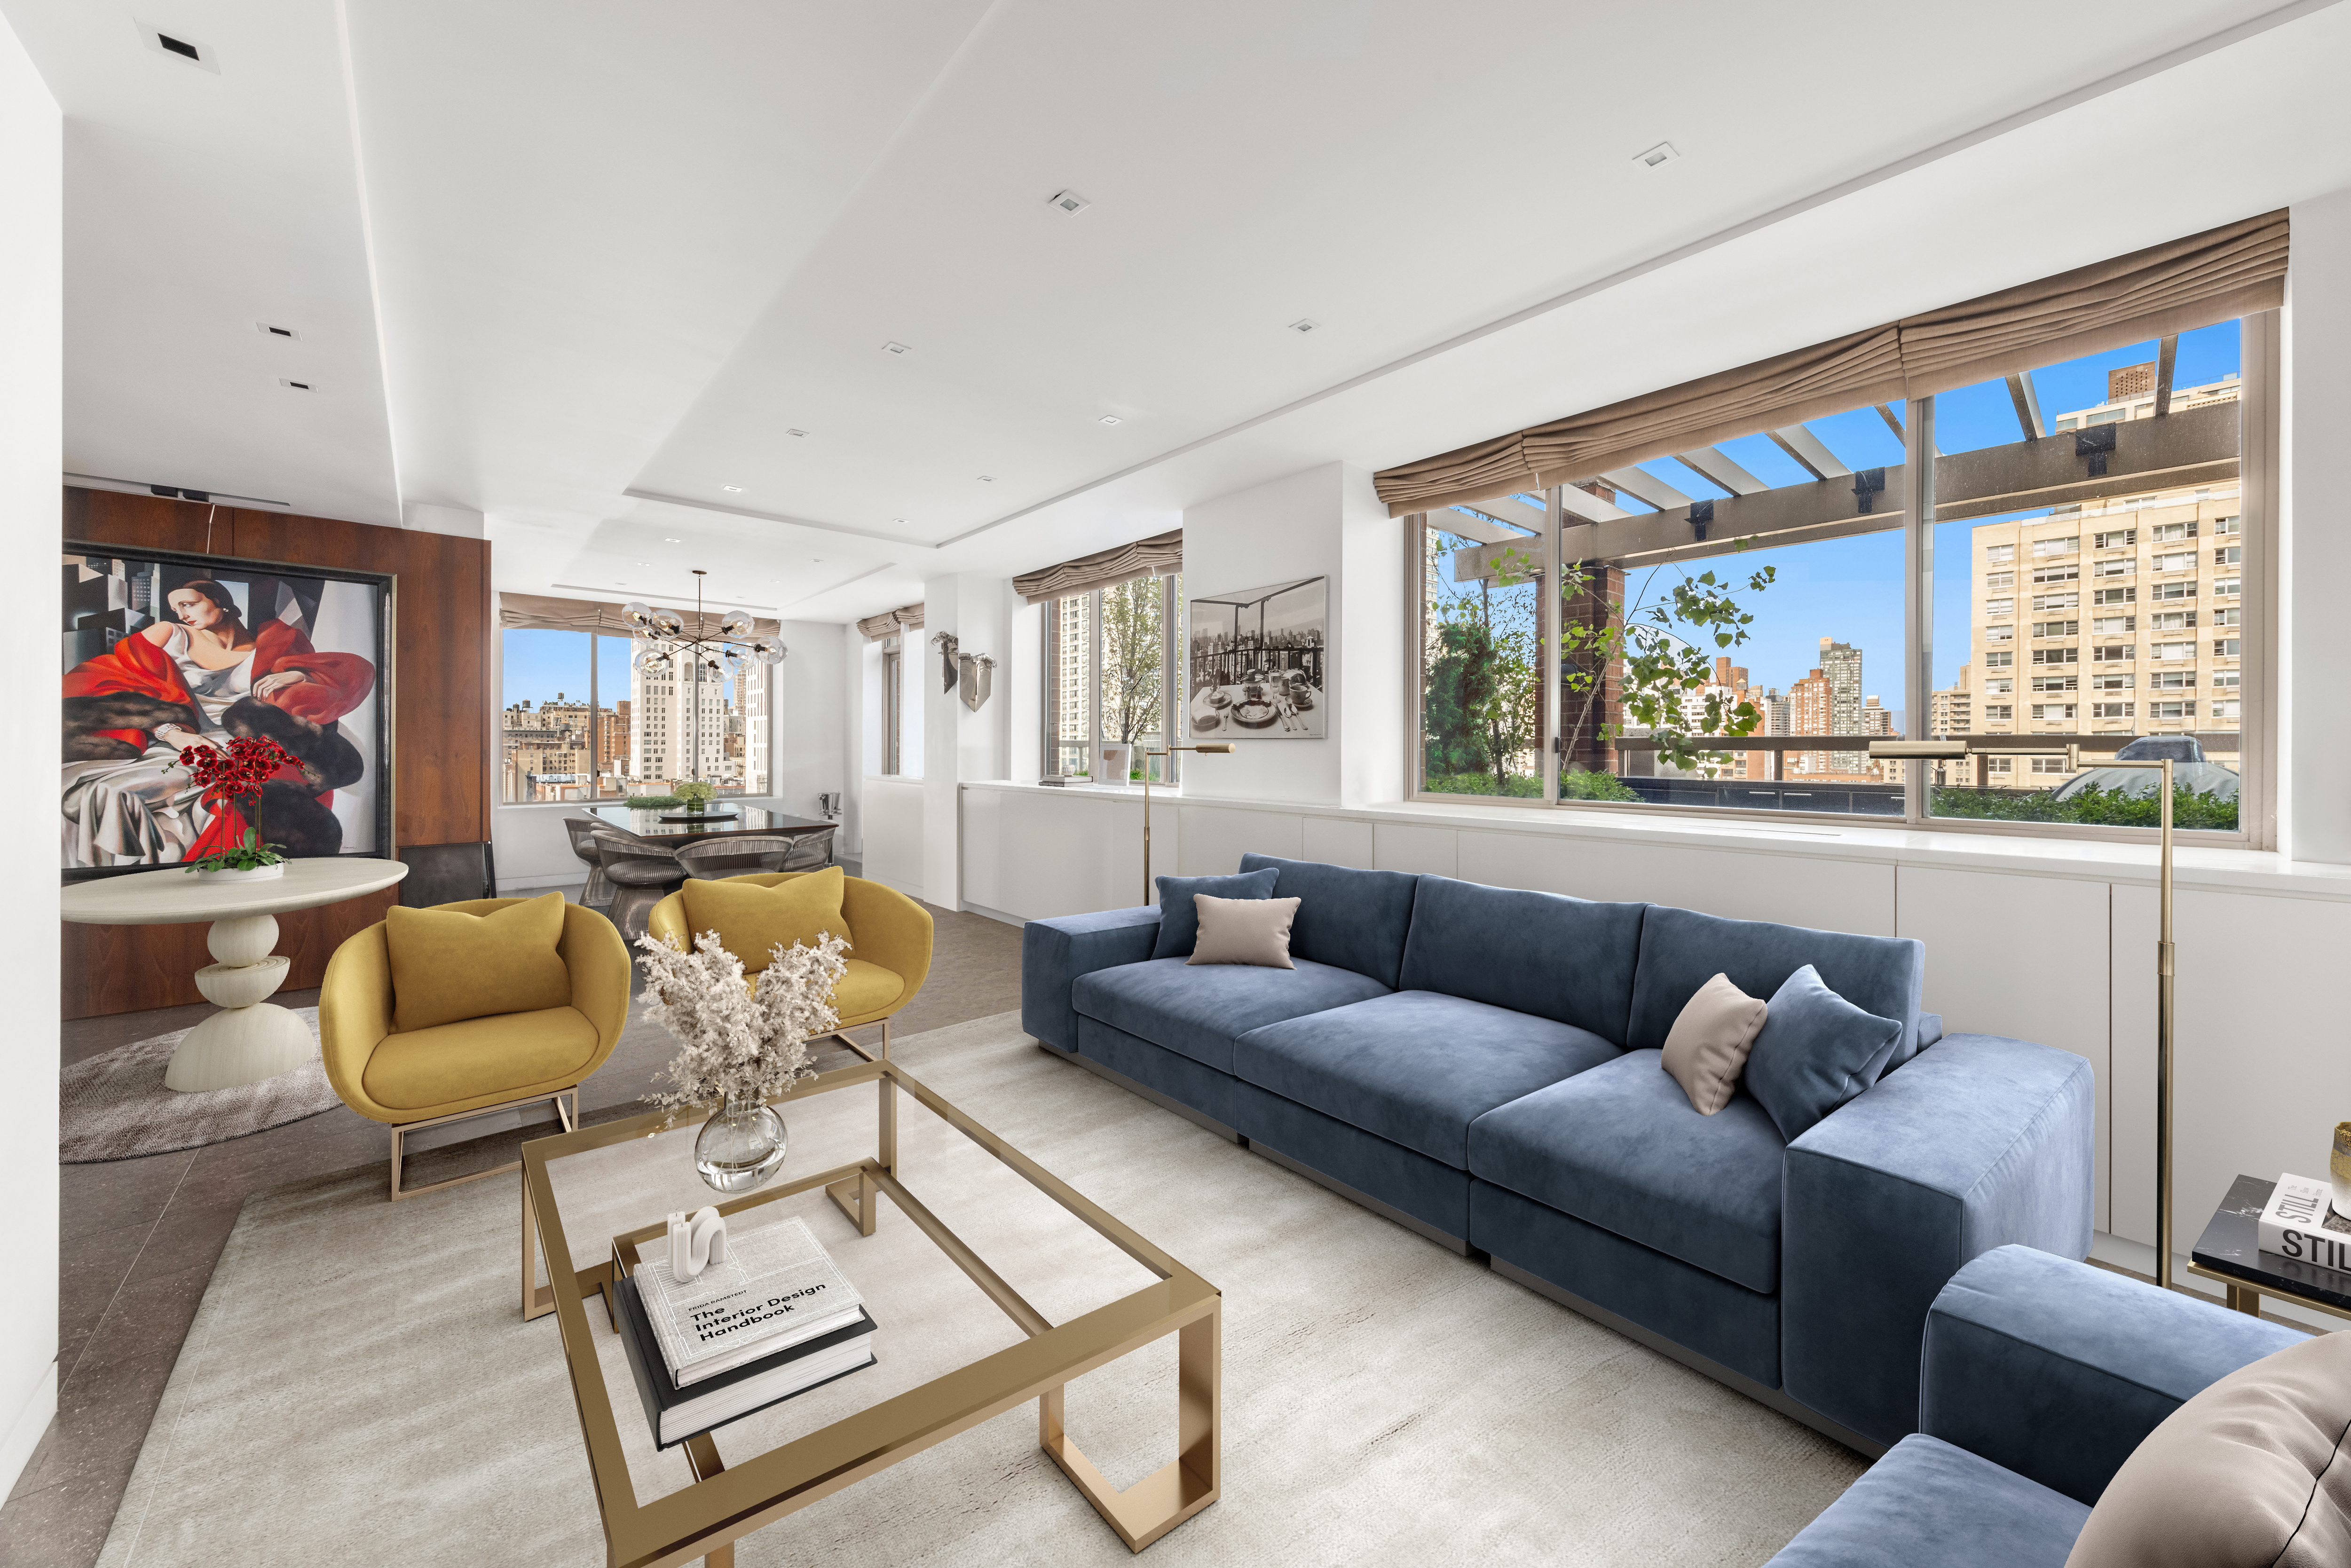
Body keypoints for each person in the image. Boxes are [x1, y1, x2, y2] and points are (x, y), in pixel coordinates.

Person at [63, 579, 374, 867]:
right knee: (113, 793)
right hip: (182, 742)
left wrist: (300, 673)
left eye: (189, 603)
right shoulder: (168, 634)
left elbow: (350, 674)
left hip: (254, 747)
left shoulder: (279, 639)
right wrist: (171, 734)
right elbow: (114, 679)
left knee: (259, 801)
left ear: (221, 601)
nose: (182, 613)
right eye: (176, 608)